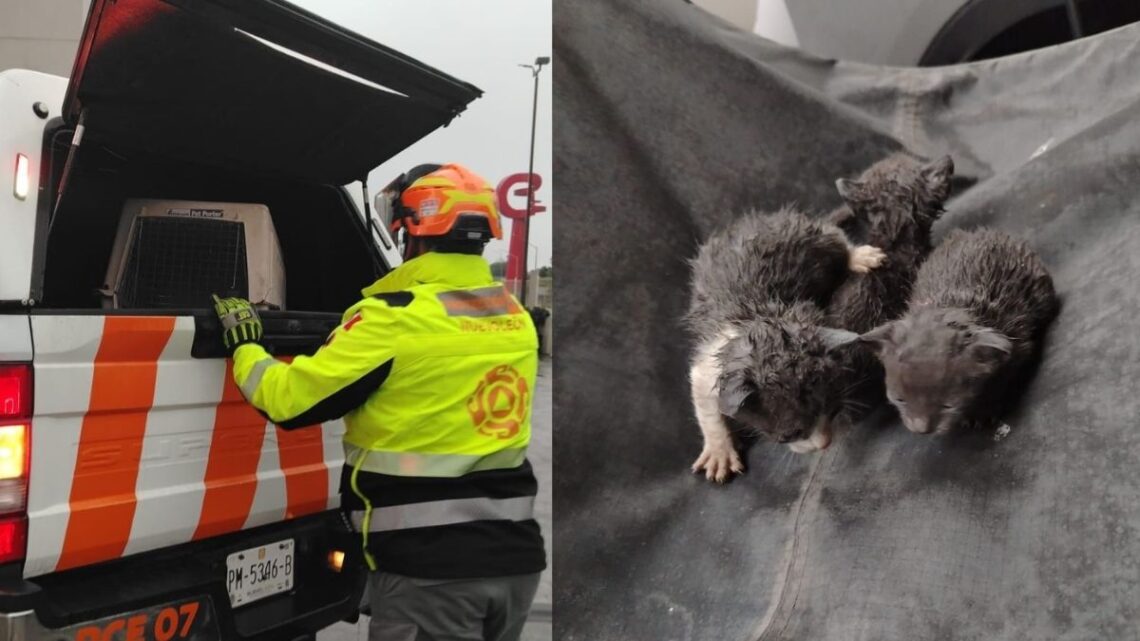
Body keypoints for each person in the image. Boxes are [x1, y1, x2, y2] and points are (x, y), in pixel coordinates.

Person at [211, 163, 545, 641]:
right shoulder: (514, 318)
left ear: (412, 232)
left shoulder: (394, 320)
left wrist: (246, 346)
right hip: (517, 562)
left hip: (432, 573)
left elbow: (287, 401)